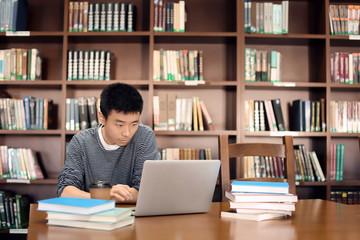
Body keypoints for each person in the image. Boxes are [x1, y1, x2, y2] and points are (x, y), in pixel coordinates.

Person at [57, 83, 160, 203]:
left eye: (134, 124)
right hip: (94, 216)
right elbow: (65, 191)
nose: (127, 133)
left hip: (133, 217)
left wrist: (110, 196)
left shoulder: (144, 136)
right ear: (102, 117)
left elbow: (147, 190)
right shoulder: (81, 142)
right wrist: (104, 195)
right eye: (119, 125)